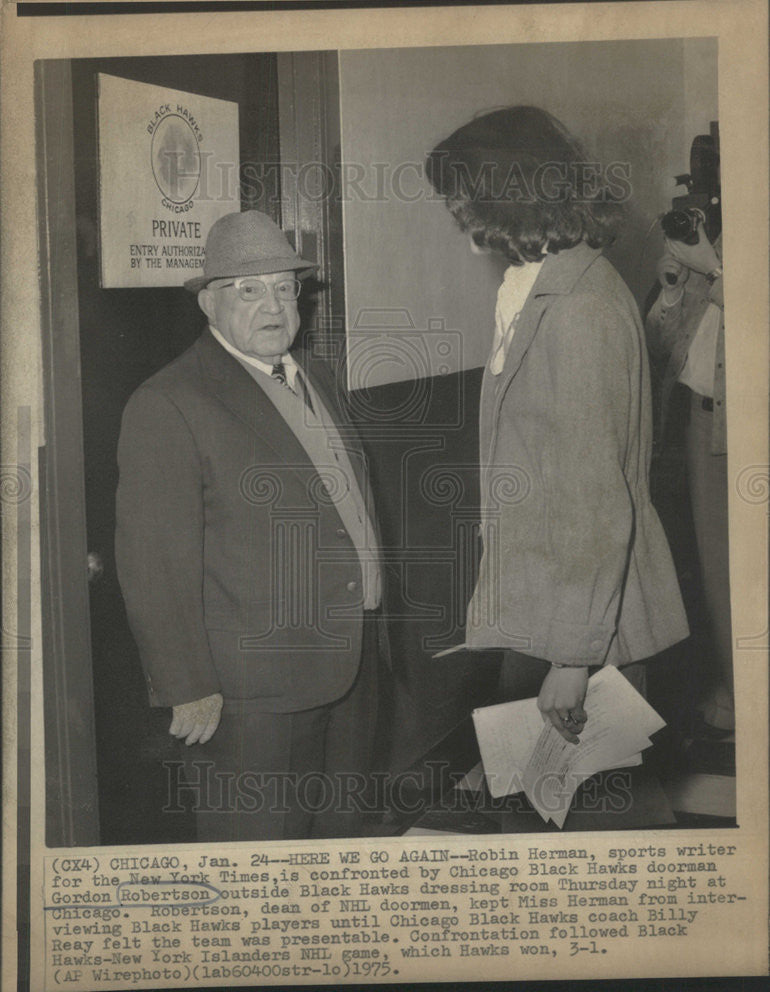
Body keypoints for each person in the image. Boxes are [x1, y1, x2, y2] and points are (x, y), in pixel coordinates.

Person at [115, 210, 387, 841]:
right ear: (209, 304)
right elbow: (153, 561)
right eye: (249, 290)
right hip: (251, 697)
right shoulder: (169, 403)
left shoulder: (314, 375)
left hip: (350, 667)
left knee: (341, 850)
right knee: (257, 872)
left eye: (285, 289)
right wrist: (189, 686)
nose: (274, 306)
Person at [425, 106, 689, 742]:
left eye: (470, 213)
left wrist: (572, 660)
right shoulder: (539, 285)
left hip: (581, 631)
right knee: (553, 810)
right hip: (552, 610)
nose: (468, 236)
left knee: (591, 821)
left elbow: (596, 500)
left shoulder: (579, 310)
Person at [645, 222, 732, 733]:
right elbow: (664, 346)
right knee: (716, 564)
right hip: (703, 420)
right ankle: (738, 690)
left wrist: (713, 269)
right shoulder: (714, 237)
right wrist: (675, 287)